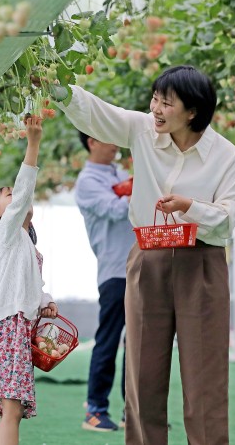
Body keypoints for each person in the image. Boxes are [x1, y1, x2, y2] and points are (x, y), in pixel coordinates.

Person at [57, 65, 235, 445]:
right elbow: (95, 111)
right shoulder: (141, 129)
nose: (155, 108)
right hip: (147, 257)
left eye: (166, 102)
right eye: (155, 98)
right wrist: (54, 85)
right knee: (142, 375)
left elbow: (226, 222)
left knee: (205, 379)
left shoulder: (224, 154)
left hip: (202, 263)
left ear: (192, 112)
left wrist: (189, 206)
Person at [0, 115, 59, 445]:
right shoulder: (5, 233)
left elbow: (34, 286)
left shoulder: (26, 244)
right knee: (12, 411)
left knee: (14, 411)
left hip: (18, 325)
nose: (17, 197)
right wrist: (33, 144)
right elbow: (24, 192)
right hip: (11, 324)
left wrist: (46, 302)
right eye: (8, 196)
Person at [74, 132, 135, 432]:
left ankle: (132, 411)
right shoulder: (87, 182)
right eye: (108, 139)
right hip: (114, 271)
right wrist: (143, 188)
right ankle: (95, 410)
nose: (115, 145)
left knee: (137, 344)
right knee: (109, 341)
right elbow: (115, 209)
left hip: (138, 267)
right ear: (91, 142)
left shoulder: (121, 174)